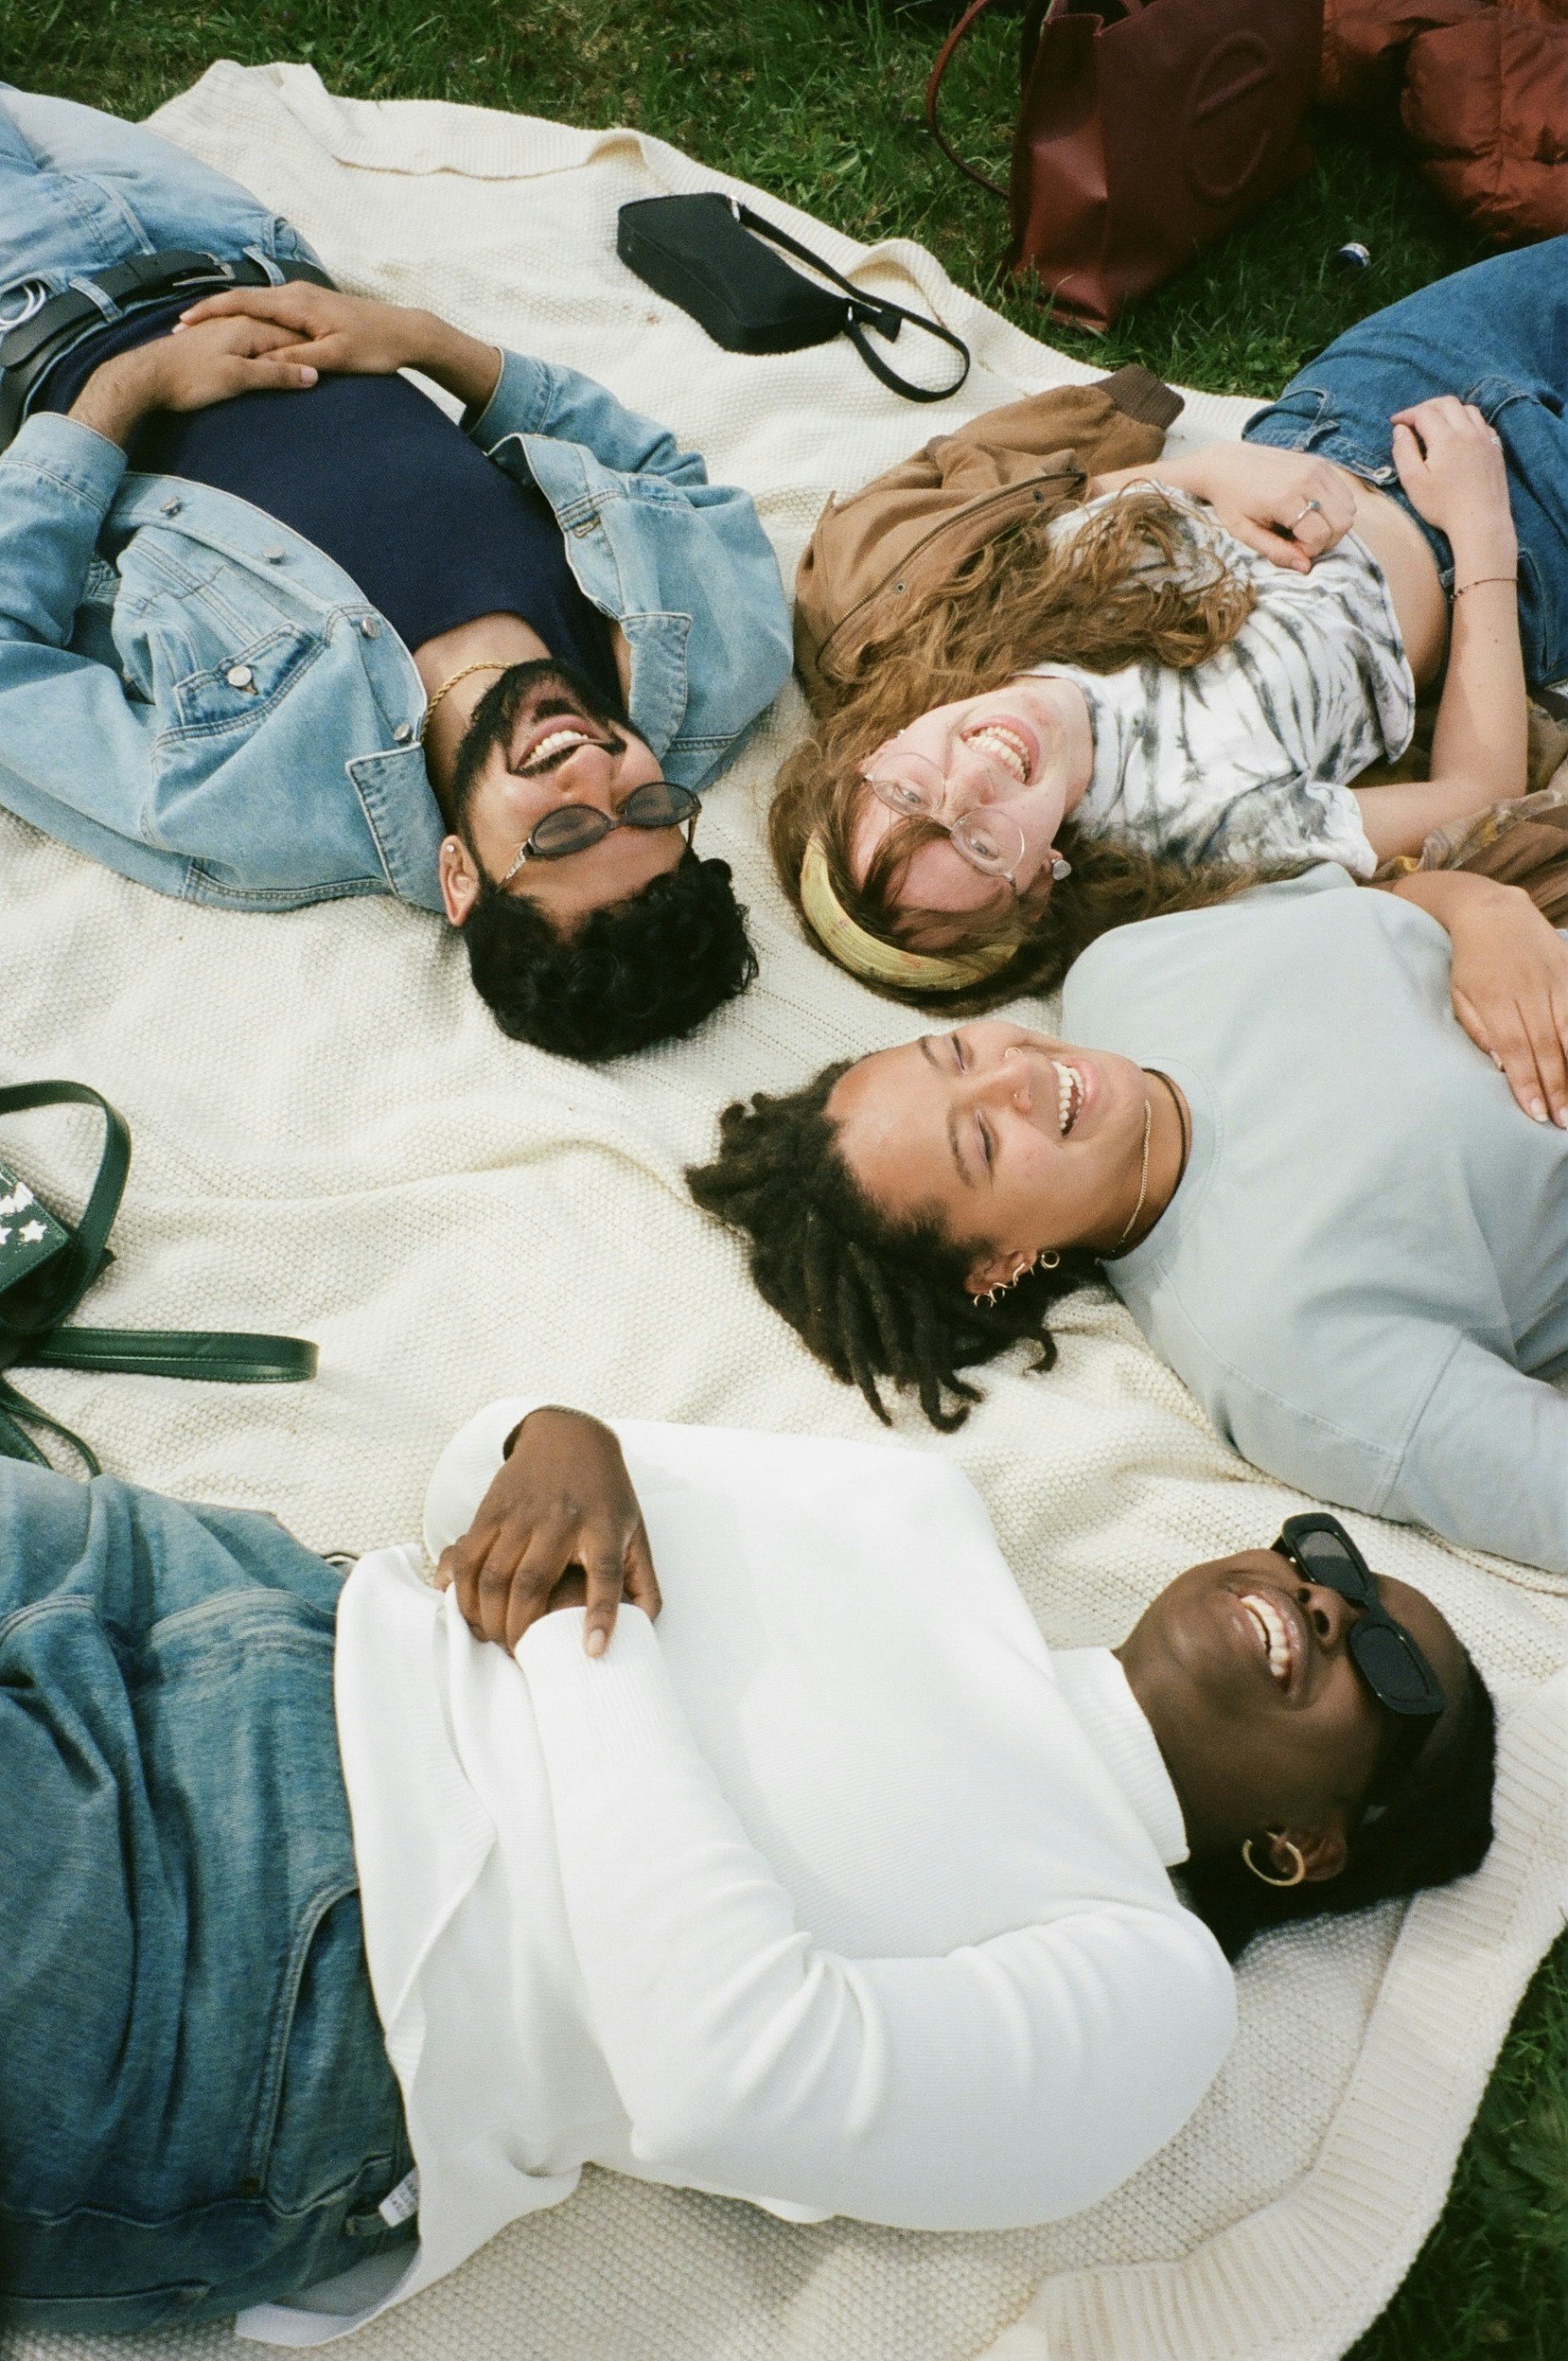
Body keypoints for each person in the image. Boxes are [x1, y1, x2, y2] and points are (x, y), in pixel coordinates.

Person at [0, 1398, 1494, 2337]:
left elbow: (729, 2074)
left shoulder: (1151, 1993)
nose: (1326, 1601)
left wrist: (577, 1633)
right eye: (1331, 1561)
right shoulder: (921, 1515)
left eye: (1390, 1669)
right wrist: (562, 1433)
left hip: (291, 1966)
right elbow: (484, 1488)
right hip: (230, 1598)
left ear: (1305, 1849)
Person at [0, 87, 793, 1060]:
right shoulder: (710, 659)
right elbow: (665, 476)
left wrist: (123, 393)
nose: (593, 770)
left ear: (461, 877)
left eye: (562, 835)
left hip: (31, 320)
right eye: (646, 808)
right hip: (233, 238)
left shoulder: (251, 805)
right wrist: (430, 345)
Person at [687, 864, 1568, 1571]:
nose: (1013, 1073)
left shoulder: (1122, 970)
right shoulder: (1281, 1346)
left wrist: (1487, 911)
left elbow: (1388, 896)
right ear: (997, 1263)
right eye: (981, 1142)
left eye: (955, 1053)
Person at [773, 239, 1568, 1016]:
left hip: (1369, 400)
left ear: (870, 756)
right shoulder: (1204, 837)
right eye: (980, 846)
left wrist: (1209, 471)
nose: (971, 783)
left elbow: (1086, 495)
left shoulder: (943, 633)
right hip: (1528, 531)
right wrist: (1481, 534)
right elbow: (1476, 794)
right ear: (1040, 884)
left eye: (909, 793)